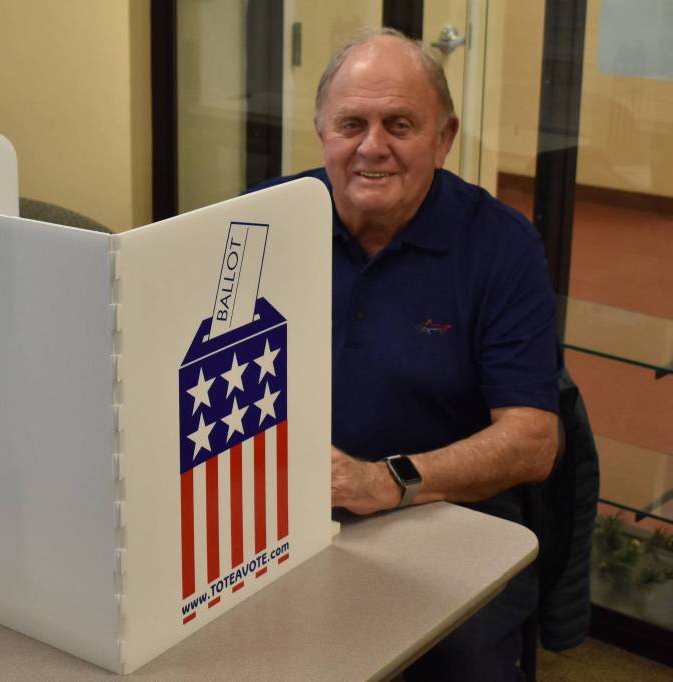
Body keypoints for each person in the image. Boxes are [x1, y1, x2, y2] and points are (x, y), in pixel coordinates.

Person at [251, 28, 562, 681]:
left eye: (400, 124)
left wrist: (387, 481)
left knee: (450, 660)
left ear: (444, 138)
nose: (372, 147)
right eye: (351, 124)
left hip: (445, 515)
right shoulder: (261, 223)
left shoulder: (502, 245)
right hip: (281, 509)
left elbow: (532, 440)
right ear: (320, 131)